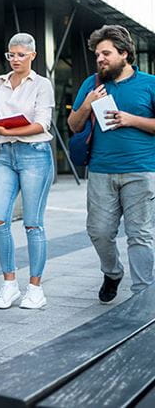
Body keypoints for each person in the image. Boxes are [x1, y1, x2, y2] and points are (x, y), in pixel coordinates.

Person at [67, 24, 155, 302]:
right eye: (97, 55)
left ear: (125, 54)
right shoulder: (91, 85)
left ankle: (143, 295)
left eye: (106, 53)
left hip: (142, 170)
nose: (100, 59)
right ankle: (113, 272)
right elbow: (73, 125)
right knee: (99, 231)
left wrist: (131, 120)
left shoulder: (150, 84)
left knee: (140, 233)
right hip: (101, 171)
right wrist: (87, 104)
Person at [0, 33, 55, 310]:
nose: (15, 59)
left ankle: (35, 288)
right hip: (4, 154)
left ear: (32, 56)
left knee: (32, 223)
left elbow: (42, 124)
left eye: (20, 55)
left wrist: (7, 128)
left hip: (34, 155)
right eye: (11, 55)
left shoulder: (42, 84)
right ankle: (10, 284)